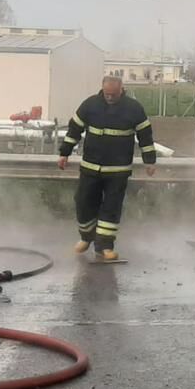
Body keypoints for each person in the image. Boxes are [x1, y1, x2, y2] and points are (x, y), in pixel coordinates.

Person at [57, 75, 158, 260]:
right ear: (102, 89)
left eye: (113, 94)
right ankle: (87, 237)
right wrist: (64, 152)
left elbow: (145, 136)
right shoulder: (90, 105)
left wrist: (149, 161)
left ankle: (105, 246)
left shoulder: (134, 108)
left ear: (121, 89)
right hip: (90, 167)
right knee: (83, 201)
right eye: (106, 94)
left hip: (118, 170)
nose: (109, 97)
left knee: (111, 207)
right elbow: (74, 130)